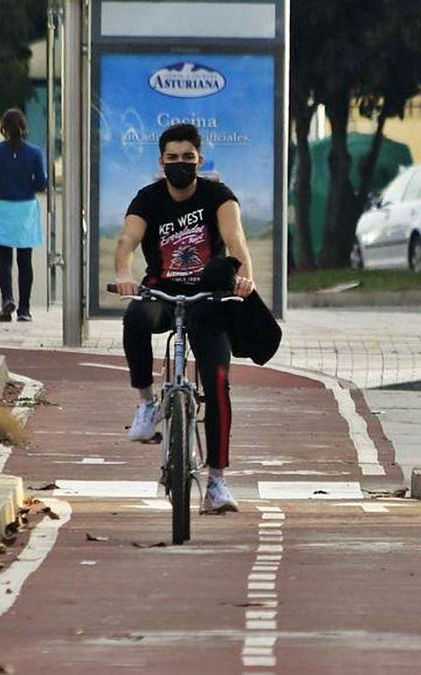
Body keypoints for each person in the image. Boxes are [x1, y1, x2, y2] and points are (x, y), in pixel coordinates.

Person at [113, 123, 255, 514]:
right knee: (136, 318)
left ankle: (217, 483)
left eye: (187, 159)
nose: (180, 165)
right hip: (162, 290)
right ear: (161, 162)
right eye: (172, 159)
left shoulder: (218, 196)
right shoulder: (148, 199)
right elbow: (126, 240)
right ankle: (145, 404)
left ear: (199, 160)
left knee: (219, 382)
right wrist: (124, 276)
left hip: (208, 297)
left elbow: (235, 238)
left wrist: (244, 275)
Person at [0, 109, 47, 322]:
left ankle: (7, 299)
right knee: (25, 260)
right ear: (24, 128)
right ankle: (25, 309)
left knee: (4, 259)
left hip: (2, 208)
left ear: (3, 129)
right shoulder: (35, 153)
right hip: (25, 209)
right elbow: (41, 183)